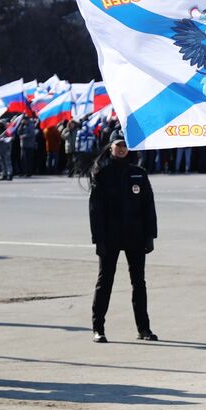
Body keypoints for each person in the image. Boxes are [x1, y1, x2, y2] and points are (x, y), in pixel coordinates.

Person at [88, 134, 158, 343]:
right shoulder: (101, 174)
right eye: (118, 145)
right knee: (105, 282)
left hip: (135, 236)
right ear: (111, 147)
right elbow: (95, 210)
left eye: (125, 145)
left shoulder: (138, 173)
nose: (122, 149)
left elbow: (148, 206)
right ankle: (98, 328)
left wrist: (150, 236)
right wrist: (98, 239)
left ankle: (143, 329)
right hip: (110, 237)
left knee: (139, 283)